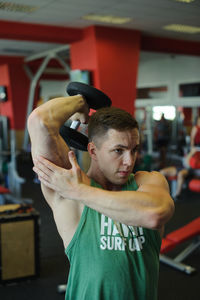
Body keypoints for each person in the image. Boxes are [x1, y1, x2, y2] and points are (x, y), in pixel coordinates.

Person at [28, 92, 174, 300]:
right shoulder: (68, 192)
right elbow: (40, 121)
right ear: (93, 151)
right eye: (118, 150)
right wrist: (80, 102)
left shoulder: (148, 181)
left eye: (134, 150)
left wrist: (79, 191)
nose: (129, 161)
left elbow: (154, 214)